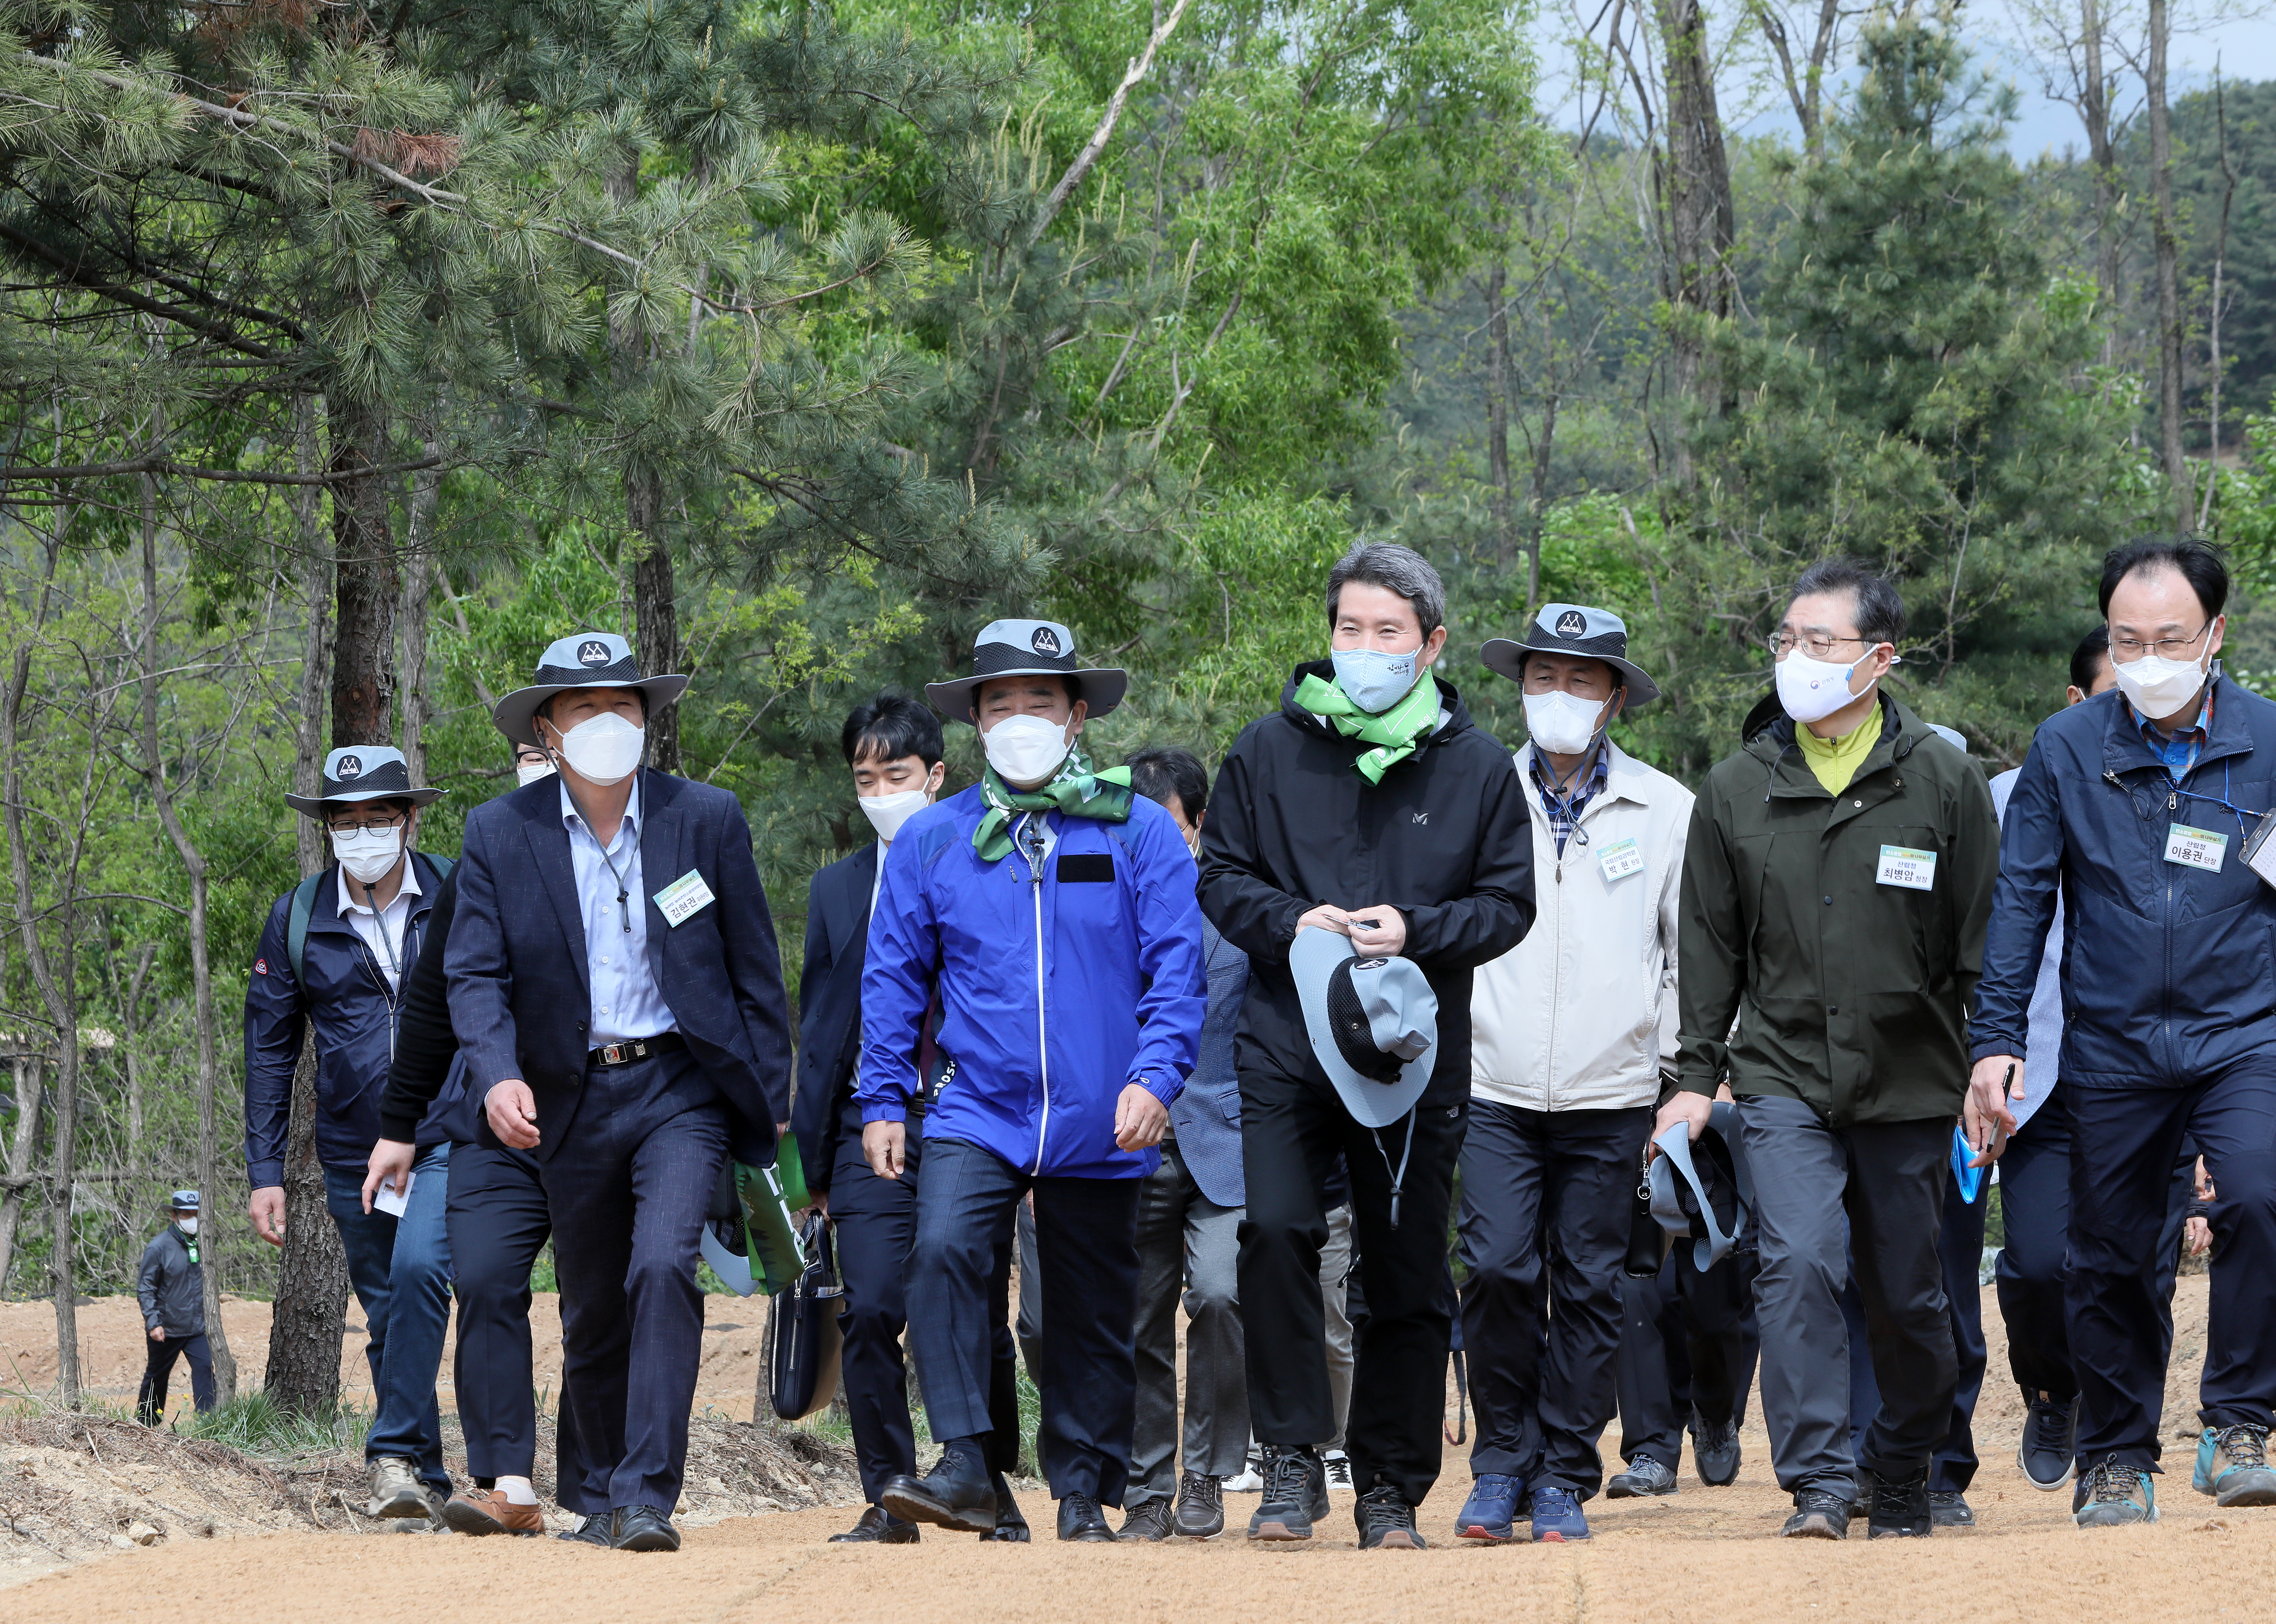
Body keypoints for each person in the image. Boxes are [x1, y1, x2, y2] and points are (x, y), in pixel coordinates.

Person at [1198, 542, 1535, 1549]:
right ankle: (1293, 1462)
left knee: (1403, 1272)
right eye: (1349, 628)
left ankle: (1389, 1483)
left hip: (1410, 1061)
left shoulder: (1475, 768)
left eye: (1387, 632)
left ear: (1430, 644)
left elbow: (1507, 903)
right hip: (1283, 1045)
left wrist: (1417, 929)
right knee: (1274, 1236)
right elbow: (1219, 876)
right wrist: (1291, 919)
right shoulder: (1264, 750)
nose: (1363, 647)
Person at [438, 631, 793, 1552]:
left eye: (625, 706)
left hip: (679, 1085)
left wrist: (773, 1097)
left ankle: (646, 1496)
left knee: (663, 1264)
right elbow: (472, 977)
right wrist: (497, 1071)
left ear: (648, 720)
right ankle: (596, 1497)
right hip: (566, 1095)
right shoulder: (498, 834)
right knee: (592, 1302)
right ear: (549, 731)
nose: (609, 723)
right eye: (587, 709)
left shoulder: (705, 818)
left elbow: (757, 971)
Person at [1667, 557, 1999, 1541]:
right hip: (1779, 1075)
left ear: (1878, 658)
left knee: (1906, 1294)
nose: (1795, 659)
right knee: (1798, 1261)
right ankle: (1816, 1478)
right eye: (1786, 640)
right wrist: (1692, 1081)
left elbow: (1978, 939)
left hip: (1908, 1080)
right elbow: (1707, 947)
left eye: (1820, 642)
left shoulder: (1942, 779)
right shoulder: (1734, 788)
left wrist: (1984, 1068)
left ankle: (1898, 1464)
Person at [860, 619, 1206, 1544]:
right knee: (940, 1251)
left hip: (1105, 1111)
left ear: (1076, 715)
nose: (1019, 718)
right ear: (975, 721)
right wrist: (884, 1096)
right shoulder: (933, 840)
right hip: (979, 1105)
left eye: (1038, 702)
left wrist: (1156, 1078)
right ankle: (966, 1460)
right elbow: (892, 976)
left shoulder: (1138, 830)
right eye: (1000, 703)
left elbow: (1177, 973)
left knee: (1086, 1312)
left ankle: (1082, 1491)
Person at [1968, 539, 2276, 1527]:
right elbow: (2018, 903)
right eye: (2124, 639)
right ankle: (2113, 1453)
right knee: (2101, 1253)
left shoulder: (2268, 744)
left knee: (2262, 1197)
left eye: (2168, 638)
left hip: (2241, 1032)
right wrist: (1996, 1036)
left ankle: (2236, 1423)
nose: (2145, 657)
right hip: (2110, 1043)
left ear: (2214, 635)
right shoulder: (2064, 751)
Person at [1452, 603, 1689, 1545]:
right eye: (1541, 677)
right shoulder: (1474, 793)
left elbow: (1687, 953)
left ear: (1614, 699)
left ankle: (1560, 1471)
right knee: (1500, 1271)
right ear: (1518, 688)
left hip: (1612, 1090)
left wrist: (1671, 1068)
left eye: (1580, 680)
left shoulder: (1665, 808)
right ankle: (1499, 1463)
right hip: (1489, 1083)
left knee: (1590, 1286)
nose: (1557, 697)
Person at [789, 692, 1031, 1544]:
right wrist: (809, 1166)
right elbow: (820, 1029)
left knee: (972, 1308)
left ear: (935, 776)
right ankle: (889, 1489)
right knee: (871, 1306)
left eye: (896, 773)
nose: (880, 789)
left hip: (972, 1116)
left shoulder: (989, 864)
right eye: (865, 776)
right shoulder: (837, 887)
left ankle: (988, 1485)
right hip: (869, 1124)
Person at [367, 741, 587, 1539]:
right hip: (489, 1117)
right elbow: (431, 1004)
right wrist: (399, 1126)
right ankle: (503, 1479)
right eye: (534, 751)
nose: (549, 765)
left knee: (601, 1296)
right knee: (484, 1282)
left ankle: (600, 1482)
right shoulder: (486, 855)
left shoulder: (655, 844)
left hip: (612, 1112)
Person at [243, 744, 458, 1522]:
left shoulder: (459, 891)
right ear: (329, 827)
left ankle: (391, 1455)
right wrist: (265, 1168)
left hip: (447, 1130)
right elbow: (269, 1048)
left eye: (379, 816)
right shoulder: (299, 916)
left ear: (408, 817)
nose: (363, 832)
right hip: (350, 1146)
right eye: (347, 820)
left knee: (420, 1269)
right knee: (388, 1309)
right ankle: (422, 1475)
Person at [1117, 747, 1251, 1542]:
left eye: (1168, 829)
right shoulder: (1099, 905)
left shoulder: (1236, 909)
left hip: (1227, 1142)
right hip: (1132, 1142)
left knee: (1222, 1295)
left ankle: (1206, 1467)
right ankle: (1145, 1486)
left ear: (1197, 826)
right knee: (1137, 1317)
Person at [136, 1191, 216, 1427]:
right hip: (166, 1328)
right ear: (174, 1215)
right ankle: (146, 1426)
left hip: (196, 1328)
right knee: (157, 1376)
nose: (192, 1218)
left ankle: (208, 1423)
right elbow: (146, 1288)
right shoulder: (158, 1248)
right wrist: (153, 1322)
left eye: (196, 1214)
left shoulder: (204, 1243)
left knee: (204, 1369)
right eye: (187, 1214)